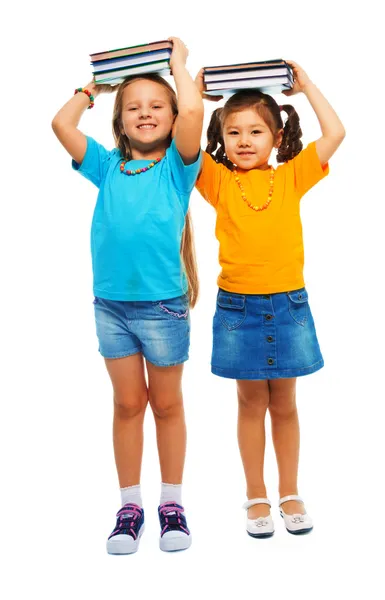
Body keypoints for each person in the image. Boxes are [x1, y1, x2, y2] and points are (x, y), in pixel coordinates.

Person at [52, 37, 203, 554]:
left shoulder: (178, 168)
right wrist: (92, 88)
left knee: (165, 405)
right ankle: (129, 505)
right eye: (133, 108)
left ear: (172, 114)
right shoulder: (107, 166)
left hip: (163, 307)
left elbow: (194, 111)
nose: (145, 113)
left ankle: (173, 504)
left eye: (157, 106)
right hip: (111, 308)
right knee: (126, 404)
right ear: (119, 122)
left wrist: (177, 66)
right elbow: (61, 126)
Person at [195, 61, 345, 537]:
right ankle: (256, 493)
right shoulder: (217, 181)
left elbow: (337, 131)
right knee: (248, 403)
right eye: (233, 131)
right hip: (238, 309)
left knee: (285, 404)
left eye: (256, 131)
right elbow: (183, 149)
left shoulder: (290, 177)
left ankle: (290, 490)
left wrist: (307, 87)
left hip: (288, 306)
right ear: (221, 136)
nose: (243, 140)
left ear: (276, 137)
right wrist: (198, 101)